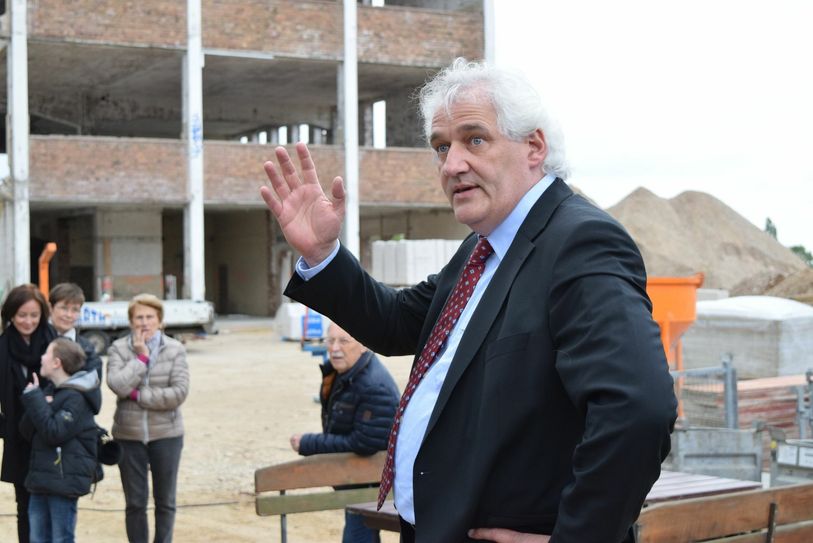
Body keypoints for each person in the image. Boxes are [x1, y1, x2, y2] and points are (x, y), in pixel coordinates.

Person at [260, 58, 677, 543]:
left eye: (474, 139)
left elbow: (638, 411)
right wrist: (323, 255)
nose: (451, 164)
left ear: (534, 147)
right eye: (442, 146)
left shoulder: (578, 242)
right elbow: (397, 322)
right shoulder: (484, 247)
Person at [290, 322, 399, 543]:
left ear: (364, 345)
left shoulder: (373, 386)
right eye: (330, 341)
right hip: (355, 479)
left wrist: (309, 443)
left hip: (371, 484)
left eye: (344, 341)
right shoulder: (343, 372)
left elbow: (364, 443)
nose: (335, 348)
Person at [106, 294, 189, 543]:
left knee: (166, 501)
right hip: (128, 434)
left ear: (160, 321)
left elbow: (178, 393)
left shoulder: (175, 349)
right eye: (139, 317)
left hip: (167, 434)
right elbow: (116, 384)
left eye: (150, 317)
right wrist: (141, 358)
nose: (144, 322)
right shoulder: (118, 348)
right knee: (135, 503)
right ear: (131, 321)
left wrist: (137, 395)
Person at [19, 337, 100, 543]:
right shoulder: (50, 391)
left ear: (57, 363)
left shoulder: (76, 398)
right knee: (37, 538)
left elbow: (54, 432)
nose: (41, 358)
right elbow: (26, 431)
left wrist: (37, 401)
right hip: (40, 481)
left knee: (61, 538)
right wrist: (35, 398)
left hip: (63, 484)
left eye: (46, 353)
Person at [0, 284, 57, 542]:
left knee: (55, 505)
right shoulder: (2, 346)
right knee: (24, 507)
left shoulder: (55, 343)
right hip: (18, 440)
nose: (28, 321)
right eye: (22, 315)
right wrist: (6, 428)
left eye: (34, 315)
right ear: (11, 315)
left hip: (51, 436)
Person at [48, 283, 103, 407]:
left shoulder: (87, 349)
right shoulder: (37, 343)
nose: (69, 315)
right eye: (64, 308)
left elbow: (93, 394)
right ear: (51, 308)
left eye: (75, 310)